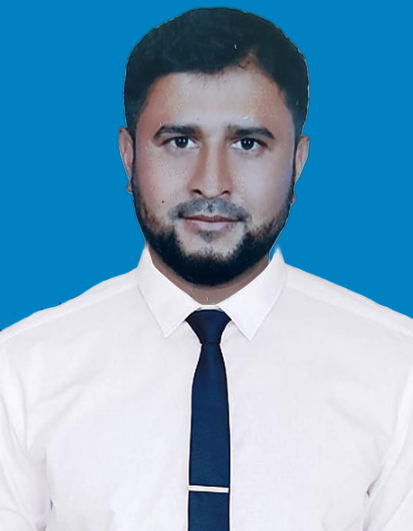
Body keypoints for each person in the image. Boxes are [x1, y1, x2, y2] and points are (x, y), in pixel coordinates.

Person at [1, 7, 412, 530]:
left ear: (297, 161)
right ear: (128, 156)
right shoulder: (21, 372)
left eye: (248, 144)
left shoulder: (398, 371)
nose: (212, 182)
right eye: (180, 141)